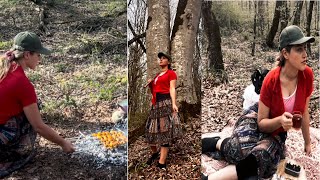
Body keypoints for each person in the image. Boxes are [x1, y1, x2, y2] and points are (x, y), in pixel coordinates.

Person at [202, 25, 315, 180]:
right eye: (299, 49)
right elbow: (262, 123)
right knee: (239, 150)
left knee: (262, 155)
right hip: (258, 117)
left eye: (305, 48)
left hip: (277, 132)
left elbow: (305, 111)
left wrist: (307, 143)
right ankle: (218, 142)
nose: (305, 54)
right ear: (285, 53)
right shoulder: (271, 80)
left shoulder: (307, 75)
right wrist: (280, 120)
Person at [0, 31, 75, 177]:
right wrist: (63, 143)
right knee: (31, 114)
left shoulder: (4, 64)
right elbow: (38, 126)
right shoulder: (21, 83)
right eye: (38, 55)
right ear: (27, 55)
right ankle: (10, 157)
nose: (40, 59)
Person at [144, 52, 181, 169]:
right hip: (155, 105)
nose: (161, 60)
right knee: (150, 131)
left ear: (168, 62)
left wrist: (174, 103)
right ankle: (155, 153)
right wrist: (151, 85)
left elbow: (172, 88)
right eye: (160, 58)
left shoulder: (171, 73)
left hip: (165, 103)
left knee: (164, 130)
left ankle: (162, 162)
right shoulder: (157, 75)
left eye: (164, 58)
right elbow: (154, 92)